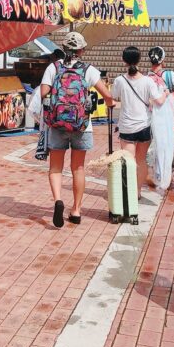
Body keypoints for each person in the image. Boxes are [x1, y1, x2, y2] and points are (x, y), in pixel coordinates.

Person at [40, 31, 114, 228]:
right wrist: (109, 102)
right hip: (81, 125)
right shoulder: (88, 70)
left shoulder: (53, 67)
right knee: (78, 168)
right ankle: (76, 210)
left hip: (57, 123)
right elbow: (107, 95)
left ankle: (57, 201)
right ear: (81, 50)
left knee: (55, 167)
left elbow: (43, 93)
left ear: (64, 48)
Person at [110, 47, 167, 198]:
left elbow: (113, 98)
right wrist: (166, 93)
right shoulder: (148, 81)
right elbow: (160, 101)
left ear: (123, 61)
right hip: (144, 126)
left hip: (127, 127)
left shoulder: (119, 80)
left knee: (128, 160)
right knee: (141, 160)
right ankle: (138, 191)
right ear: (140, 59)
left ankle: (128, 191)